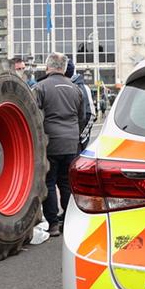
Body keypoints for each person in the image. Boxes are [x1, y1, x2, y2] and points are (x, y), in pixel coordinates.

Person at [33, 52, 88, 238]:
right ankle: (69, 220)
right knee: (66, 182)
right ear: (64, 68)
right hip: (71, 142)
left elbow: (33, 117)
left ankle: (53, 224)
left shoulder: (40, 88)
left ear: (48, 67)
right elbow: (81, 117)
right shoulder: (76, 89)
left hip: (50, 142)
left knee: (48, 182)